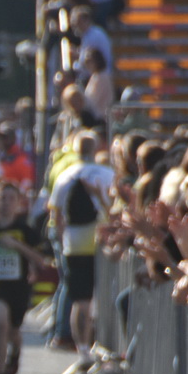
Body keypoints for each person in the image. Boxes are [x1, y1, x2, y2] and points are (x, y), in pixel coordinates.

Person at [47, 133, 116, 355]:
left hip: (74, 245)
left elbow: (55, 216)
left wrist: (61, 240)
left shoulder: (65, 176)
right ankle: (100, 344)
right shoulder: (107, 174)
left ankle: (83, 348)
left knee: (80, 299)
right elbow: (114, 211)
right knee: (103, 296)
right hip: (103, 243)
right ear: (96, 149)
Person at [0, 181, 49, 374]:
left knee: (12, 330)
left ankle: (16, 350)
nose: (6, 203)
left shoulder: (25, 230)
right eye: (2, 198)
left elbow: (41, 260)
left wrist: (17, 246)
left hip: (18, 288)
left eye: (11, 199)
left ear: (19, 203)